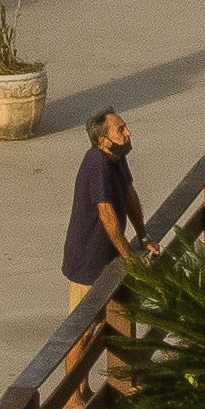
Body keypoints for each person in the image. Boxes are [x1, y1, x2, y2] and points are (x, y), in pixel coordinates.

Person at [62, 107, 141, 313]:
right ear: (103, 141)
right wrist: (128, 254)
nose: (128, 133)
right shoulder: (97, 163)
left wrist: (144, 236)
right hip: (87, 264)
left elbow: (129, 195)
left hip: (109, 257)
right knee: (84, 335)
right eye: (121, 130)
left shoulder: (117, 156)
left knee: (116, 321)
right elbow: (106, 213)